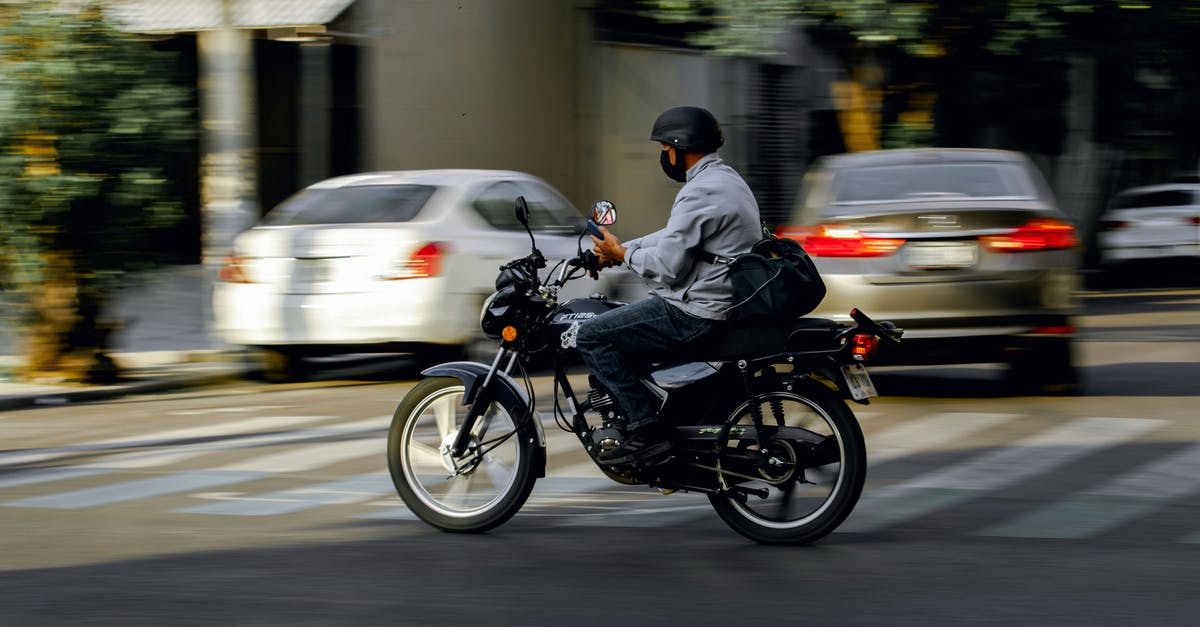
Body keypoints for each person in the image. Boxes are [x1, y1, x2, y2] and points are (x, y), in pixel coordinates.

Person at [576, 105, 763, 464]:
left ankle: (647, 430)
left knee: (592, 336)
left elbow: (667, 266)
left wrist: (622, 255)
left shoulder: (700, 191)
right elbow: (673, 237)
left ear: (680, 146)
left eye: (665, 149)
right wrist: (620, 250)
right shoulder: (725, 180)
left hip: (698, 310)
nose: (664, 156)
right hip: (722, 299)